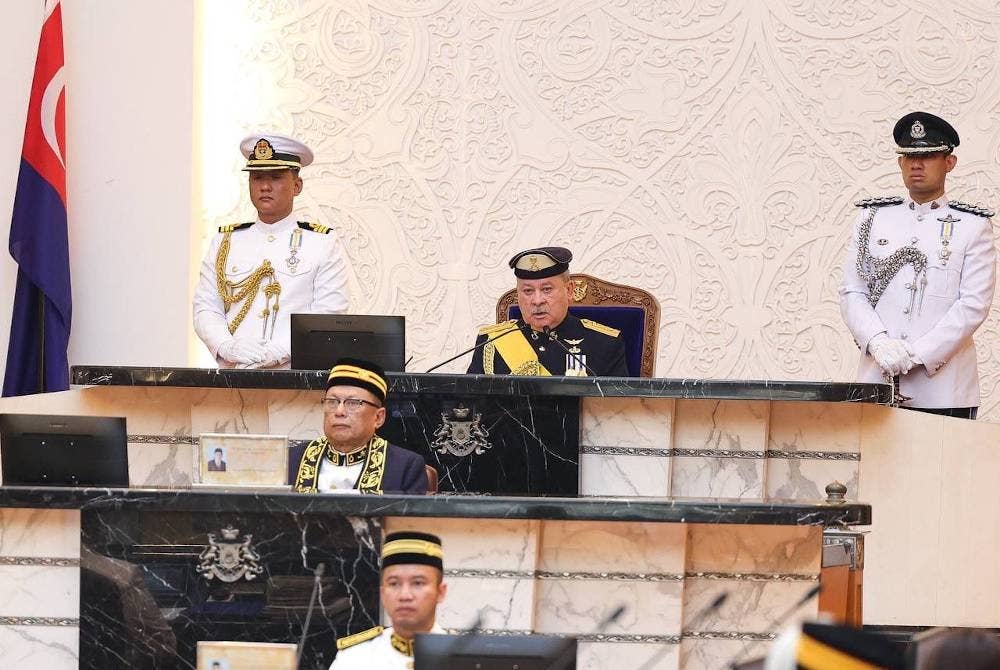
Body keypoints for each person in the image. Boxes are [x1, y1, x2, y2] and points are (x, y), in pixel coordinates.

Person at [840, 112, 996, 419]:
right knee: (877, 468)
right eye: (909, 157)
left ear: (949, 163)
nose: (916, 164)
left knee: (944, 468)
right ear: (900, 163)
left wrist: (917, 354)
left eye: (927, 156)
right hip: (877, 380)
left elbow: (974, 305)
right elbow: (851, 292)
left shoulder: (972, 226)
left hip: (943, 388)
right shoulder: (872, 218)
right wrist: (878, 342)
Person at [193, 132, 349, 369]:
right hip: (235, 375)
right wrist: (227, 347)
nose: (265, 186)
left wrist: (276, 353)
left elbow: (328, 313)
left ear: (296, 186)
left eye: (275, 177)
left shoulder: (322, 242)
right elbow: (206, 306)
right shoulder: (225, 241)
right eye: (257, 178)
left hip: (294, 378)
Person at [466, 247, 628, 376]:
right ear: (518, 294)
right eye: (528, 291)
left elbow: (619, 413)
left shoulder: (605, 344)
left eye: (547, 289)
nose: (537, 301)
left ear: (569, 290)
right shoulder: (491, 342)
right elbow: (470, 407)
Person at [293, 358, 428, 494]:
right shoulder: (291, 459)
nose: (339, 411)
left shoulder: (405, 467)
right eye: (332, 402)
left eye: (353, 403)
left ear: (378, 417)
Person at [331, 531, 447, 669]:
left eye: (418, 583)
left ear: (440, 592)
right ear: (383, 594)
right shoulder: (353, 659)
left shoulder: (463, 658)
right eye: (394, 583)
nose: (405, 595)